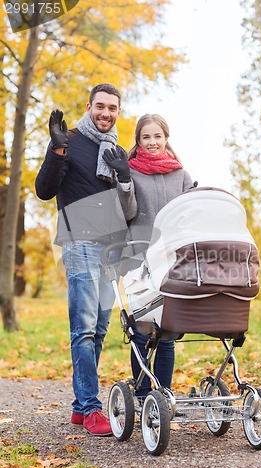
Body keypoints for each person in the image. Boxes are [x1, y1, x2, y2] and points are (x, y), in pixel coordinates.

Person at [35, 83, 137, 436]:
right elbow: (44, 190)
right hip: (78, 241)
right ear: (89, 106)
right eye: (100, 106)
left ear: (118, 112)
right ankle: (92, 408)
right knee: (83, 327)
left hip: (110, 247)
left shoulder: (116, 151)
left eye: (112, 107)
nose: (105, 113)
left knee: (101, 328)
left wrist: (124, 176)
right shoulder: (69, 140)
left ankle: (80, 408)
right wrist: (57, 149)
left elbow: (128, 211)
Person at [102, 113, 193, 401]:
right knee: (142, 331)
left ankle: (163, 395)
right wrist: (126, 181)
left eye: (157, 136)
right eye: (146, 137)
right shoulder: (130, 170)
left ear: (166, 138)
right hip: (139, 260)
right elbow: (125, 214)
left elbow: (188, 217)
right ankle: (141, 395)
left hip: (172, 263)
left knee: (166, 334)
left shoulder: (181, 175)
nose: (152, 142)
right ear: (138, 140)